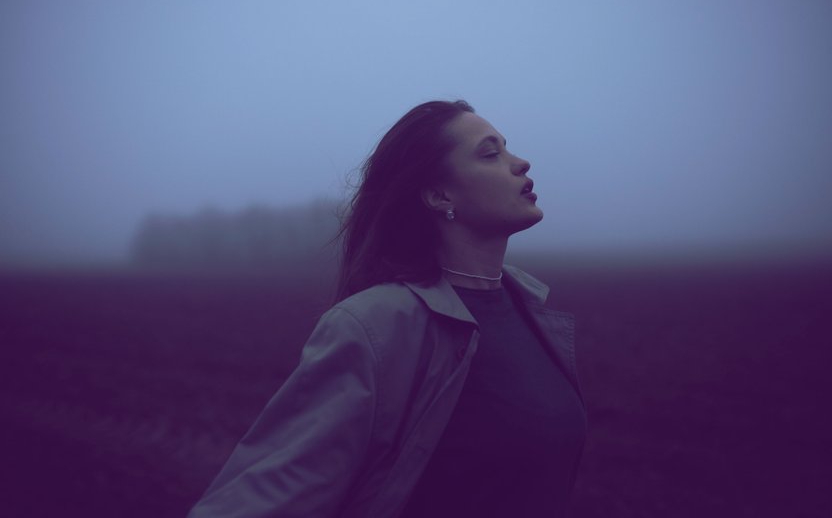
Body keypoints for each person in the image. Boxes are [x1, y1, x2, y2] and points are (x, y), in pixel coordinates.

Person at [187, 100, 586, 518]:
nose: (520, 163)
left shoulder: (530, 309)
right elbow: (265, 497)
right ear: (438, 195)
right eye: (491, 154)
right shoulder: (374, 327)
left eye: (507, 148)